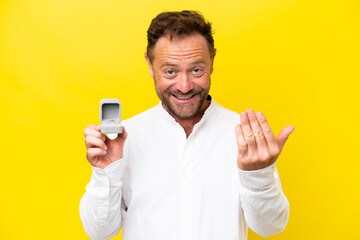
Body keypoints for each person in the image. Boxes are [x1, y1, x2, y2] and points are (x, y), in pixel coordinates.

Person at [80, 10, 295, 240]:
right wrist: (105, 173)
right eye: (170, 71)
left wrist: (259, 175)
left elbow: (271, 226)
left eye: (196, 70)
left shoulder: (245, 136)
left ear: (212, 62)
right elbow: (99, 232)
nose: (184, 86)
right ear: (150, 65)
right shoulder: (123, 140)